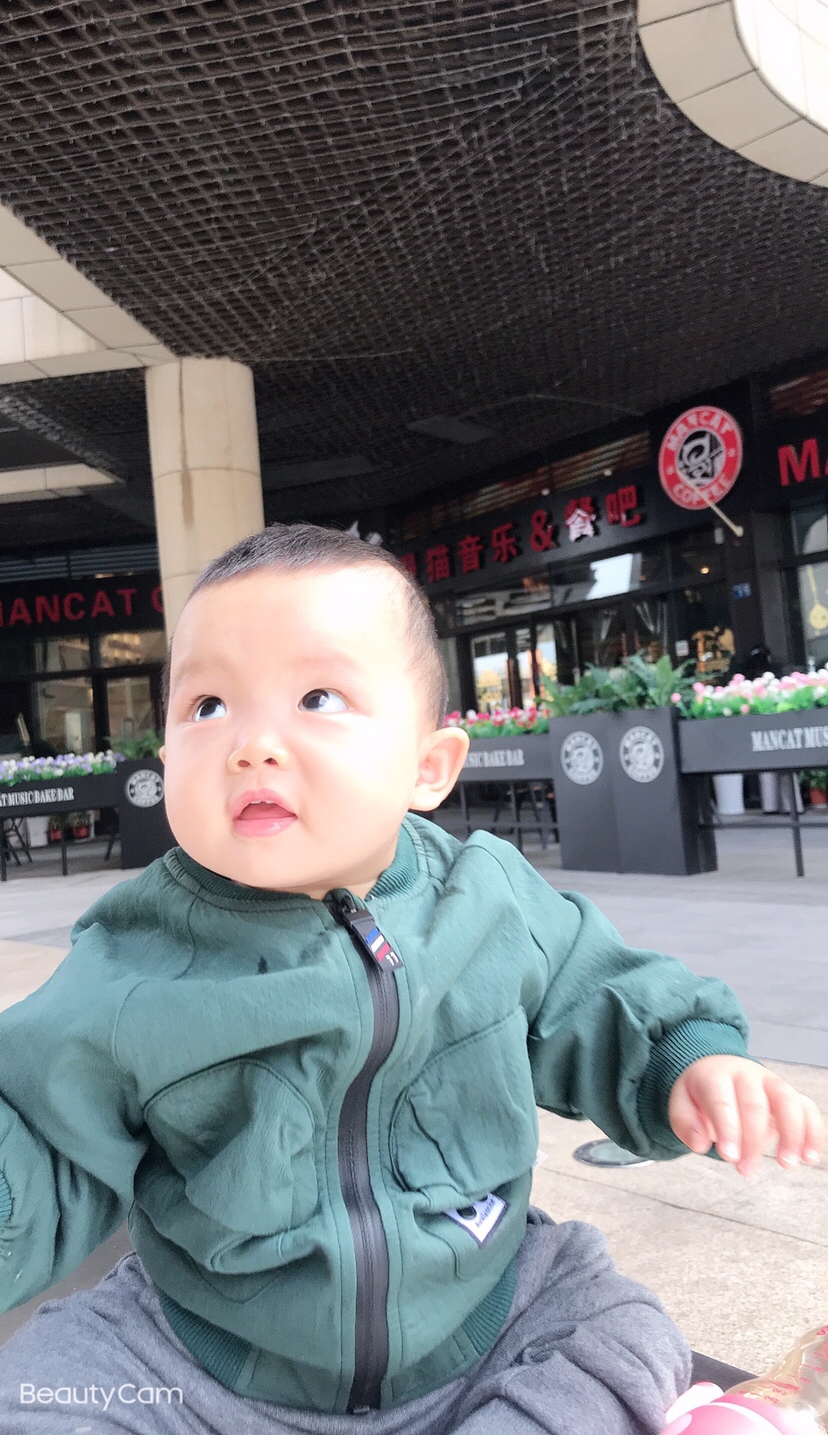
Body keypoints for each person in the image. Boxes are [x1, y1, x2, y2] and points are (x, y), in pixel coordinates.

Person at [0, 523, 821, 1435]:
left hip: (482, 1314)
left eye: (318, 697)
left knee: (619, 1329)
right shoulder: (132, 952)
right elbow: (42, 1132)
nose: (251, 744)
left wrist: (686, 1061)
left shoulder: (486, 897)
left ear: (428, 768)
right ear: (166, 764)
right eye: (207, 706)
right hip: (205, 1354)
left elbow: (600, 993)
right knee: (44, 1388)